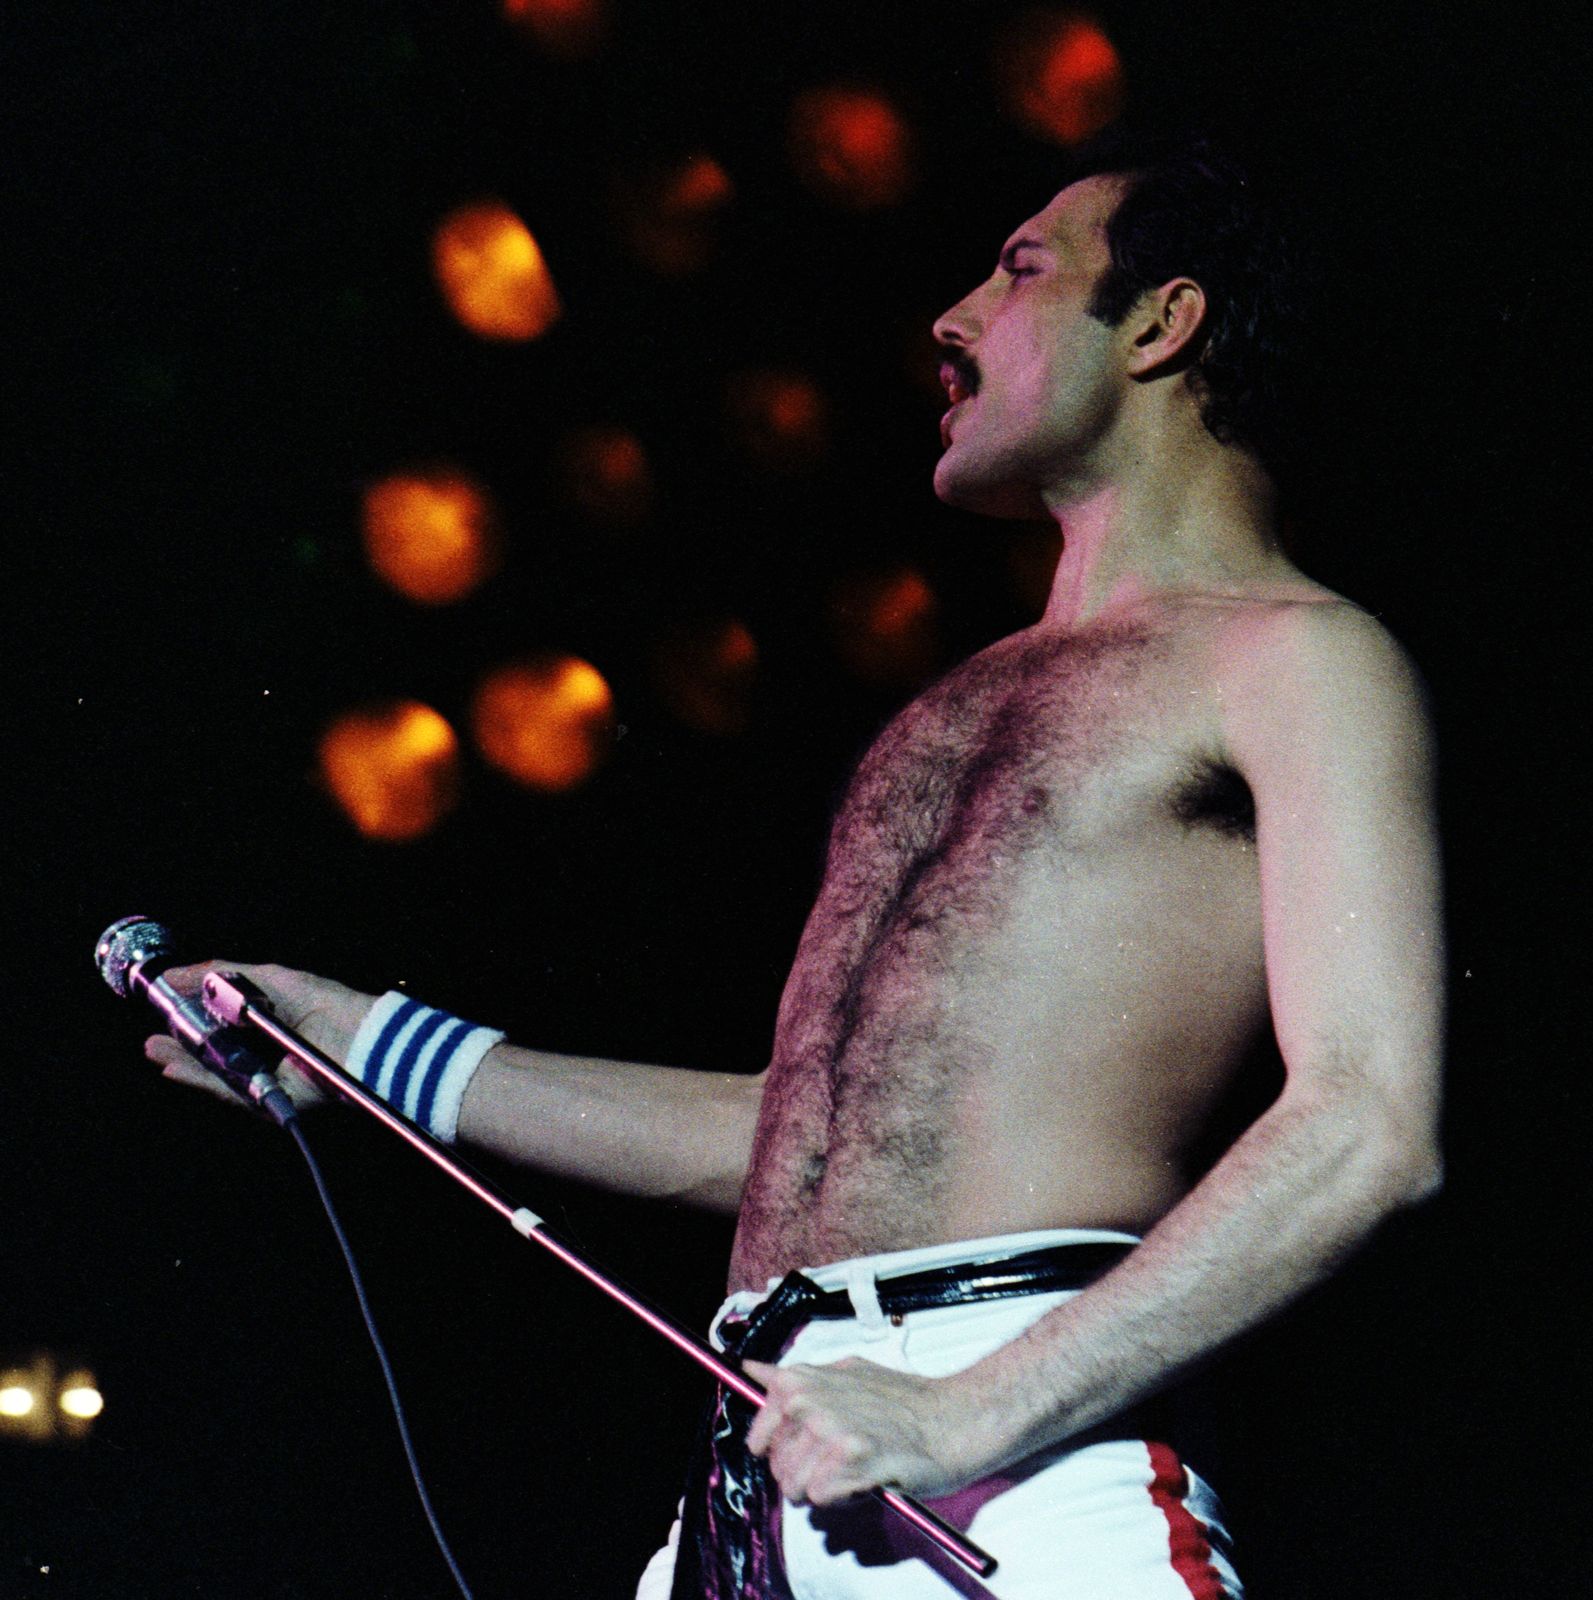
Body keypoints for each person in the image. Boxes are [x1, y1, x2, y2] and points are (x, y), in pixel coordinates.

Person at [149, 131, 1444, 1598]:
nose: (952, 318)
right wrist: (362, 1045)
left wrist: (969, 1412)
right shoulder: (948, 708)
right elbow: (798, 1138)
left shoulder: (1299, 659)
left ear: (1164, 323)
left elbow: (1366, 1126)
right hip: (773, 1456)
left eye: (1020, 270)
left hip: (1027, 1466)